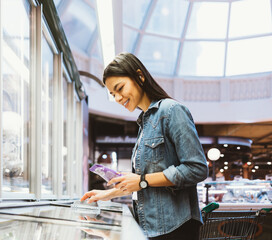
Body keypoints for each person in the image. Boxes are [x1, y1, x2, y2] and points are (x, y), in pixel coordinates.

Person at [80, 52, 208, 240]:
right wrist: (108, 194)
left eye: (120, 88)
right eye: (113, 94)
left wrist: (142, 180)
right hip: (152, 227)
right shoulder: (144, 124)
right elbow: (144, 182)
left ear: (139, 76)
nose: (117, 98)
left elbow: (196, 169)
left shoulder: (171, 111)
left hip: (176, 228)